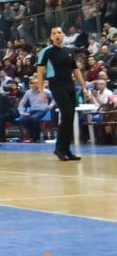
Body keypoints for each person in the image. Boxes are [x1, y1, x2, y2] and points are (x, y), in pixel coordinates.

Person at [35, 25, 92, 161]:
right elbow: (40, 71)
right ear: (51, 37)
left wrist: (83, 87)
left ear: (63, 35)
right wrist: (41, 90)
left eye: (59, 32)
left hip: (70, 86)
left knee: (70, 117)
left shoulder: (69, 51)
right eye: (54, 33)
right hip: (56, 85)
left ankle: (66, 149)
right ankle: (59, 149)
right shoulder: (46, 52)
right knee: (66, 114)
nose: (57, 35)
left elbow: (76, 70)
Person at [17, 77, 55, 142]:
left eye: (37, 83)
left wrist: (51, 105)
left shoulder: (45, 91)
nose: (35, 85)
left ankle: (35, 137)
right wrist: (21, 112)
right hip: (32, 109)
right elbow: (22, 103)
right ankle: (35, 133)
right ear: (30, 85)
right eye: (33, 83)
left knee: (33, 118)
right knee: (22, 120)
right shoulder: (28, 92)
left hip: (42, 109)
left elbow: (55, 99)